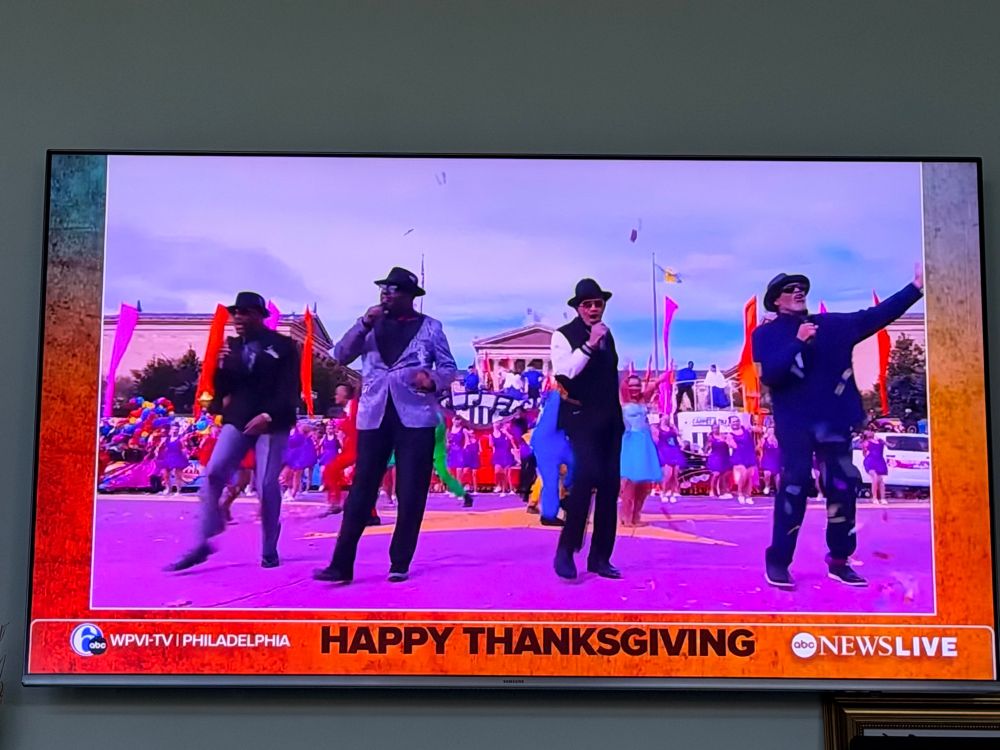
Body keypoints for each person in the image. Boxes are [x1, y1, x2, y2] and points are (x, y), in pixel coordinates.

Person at [752, 266, 923, 589]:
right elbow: (771, 375)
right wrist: (798, 343)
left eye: (802, 287)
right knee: (795, 486)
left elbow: (876, 315)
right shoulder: (766, 334)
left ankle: (840, 561)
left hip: (834, 421)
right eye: (790, 289)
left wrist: (916, 287)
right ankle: (778, 562)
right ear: (776, 301)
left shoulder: (832, 325)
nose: (799, 291)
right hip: (795, 424)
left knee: (843, 489)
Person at [314, 266, 457, 584]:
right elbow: (339, 355)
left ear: (410, 297)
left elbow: (449, 368)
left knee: (411, 489)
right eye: (384, 289)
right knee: (361, 488)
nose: (386, 294)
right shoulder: (370, 325)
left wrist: (432, 380)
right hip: (374, 415)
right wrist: (363, 323)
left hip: (415, 417)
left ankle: (400, 561)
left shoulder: (431, 327)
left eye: (394, 290)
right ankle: (340, 565)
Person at [166, 291, 300, 571]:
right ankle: (204, 539)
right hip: (239, 418)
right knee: (214, 472)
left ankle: (269, 548)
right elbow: (224, 388)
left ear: (260, 316)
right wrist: (219, 367)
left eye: (244, 312)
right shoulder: (232, 346)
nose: (237, 317)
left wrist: (269, 415)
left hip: (272, 421)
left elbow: (289, 388)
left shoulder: (283, 346)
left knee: (265, 484)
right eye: (235, 313)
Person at [550, 278, 625, 580]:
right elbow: (564, 372)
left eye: (598, 303)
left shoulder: (609, 335)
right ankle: (566, 549)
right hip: (581, 417)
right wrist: (590, 344)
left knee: (609, 486)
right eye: (587, 304)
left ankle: (600, 557)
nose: (594, 309)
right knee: (585, 478)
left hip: (610, 418)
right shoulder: (562, 335)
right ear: (578, 308)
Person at [619, 372, 669, 527]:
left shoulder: (642, 398)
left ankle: (636, 516)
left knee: (645, 484)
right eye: (631, 385)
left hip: (645, 441)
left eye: (637, 385)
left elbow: (655, 385)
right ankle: (626, 517)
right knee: (630, 481)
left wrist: (665, 375)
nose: (635, 388)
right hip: (630, 440)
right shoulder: (619, 401)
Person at [529, 390, 574, 525]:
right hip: (549, 441)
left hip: (555, 439)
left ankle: (563, 497)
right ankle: (549, 513)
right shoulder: (557, 399)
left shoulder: (554, 400)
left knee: (552, 478)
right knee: (550, 480)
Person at [321, 384, 359, 514]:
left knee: (331, 470)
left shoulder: (355, 406)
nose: (335, 396)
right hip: (351, 448)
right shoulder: (348, 410)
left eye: (338, 393)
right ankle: (337, 501)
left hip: (355, 449)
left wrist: (340, 425)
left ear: (345, 394)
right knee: (357, 479)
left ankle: (335, 502)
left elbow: (354, 427)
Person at [728, 416, 757, 505]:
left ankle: (748, 495)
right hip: (739, 457)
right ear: (730, 423)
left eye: (737, 421)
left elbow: (758, 430)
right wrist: (730, 442)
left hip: (750, 455)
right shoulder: (730, 435)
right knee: (743, 475)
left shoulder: (746, 430)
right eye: (733, 422)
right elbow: (733, 445)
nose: (735, 423)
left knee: (749, 477)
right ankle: (740, 493)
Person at [656, 415, 685, 503]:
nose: (666, 419)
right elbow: (656, 441)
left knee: (674, 475)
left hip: (675, 452)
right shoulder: (658, 430)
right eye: (664, 418)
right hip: (665, 452)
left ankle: (672, 493)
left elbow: (677, 436)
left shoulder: (671, 429)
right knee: (668, 475)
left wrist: (674, 427)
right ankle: (663, 493)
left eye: (667, 418)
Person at [705, 423, 733, 499]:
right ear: (712, 429)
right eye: (714, 428)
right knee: (716, 474)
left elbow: (730, 445)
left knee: (723, 475)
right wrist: (706, 450)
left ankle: (722, 491)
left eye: (717, 428)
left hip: (724, 457)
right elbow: (707, 447)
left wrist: (727, 441)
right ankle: (711, 491)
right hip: (715, 457)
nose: (716, 429)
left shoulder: (724, 436)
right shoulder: (711, 437)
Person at [862, 431, 889, 505]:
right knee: (875, 477)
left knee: (881, 480)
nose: (870, 432)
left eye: (871, 431)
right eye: (868, 432)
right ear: (866, 435)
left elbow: (890, 445)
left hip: (879, 461)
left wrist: (881, 440)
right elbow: (864, 453)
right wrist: (865, 450)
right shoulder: (866, 442)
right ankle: (874, 498)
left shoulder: (880, 441)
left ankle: (883, 498)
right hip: (871, 461)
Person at [490, 422, 517, 494]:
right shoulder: (492, 435)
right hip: (498, 454)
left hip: (506, 454)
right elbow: (491, 445)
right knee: (497, 472)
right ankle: (499, 485)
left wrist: (506, 432)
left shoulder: (505, 433)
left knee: (506, 473)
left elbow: (512, 439)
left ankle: (504, 490)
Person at [759, 426, 781, 496]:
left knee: (777, 478)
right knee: (767, 474)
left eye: (772, 430)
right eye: (770, 430)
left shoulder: (779, 439)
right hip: (767, 459)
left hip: (777, 459)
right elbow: (758, 447)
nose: (771, 432)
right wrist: (763, 438)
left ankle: (779, 492)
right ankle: (767, 486)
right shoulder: (764, 439)